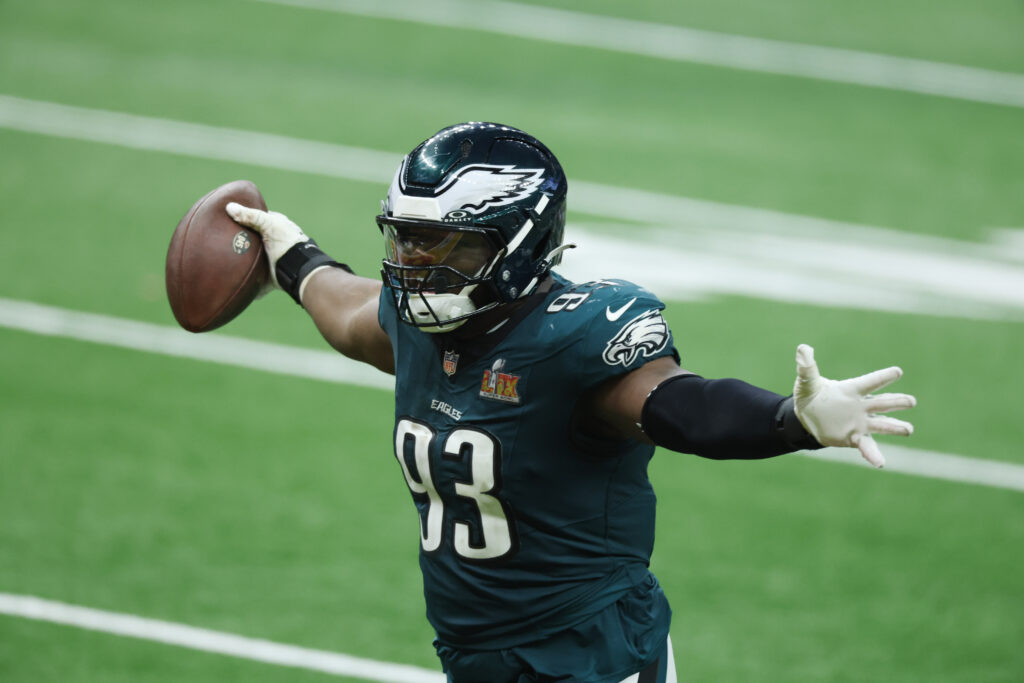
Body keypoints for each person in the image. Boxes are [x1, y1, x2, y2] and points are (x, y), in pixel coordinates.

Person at [224, 122, 915, 682]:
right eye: (403, 237)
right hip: (476, 650)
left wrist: (790, 420)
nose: (410, 263)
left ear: (516, 245)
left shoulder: (572, 337)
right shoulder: (420, 322)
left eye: (439, 244)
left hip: (585, 652)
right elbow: (345, 313)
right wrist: (293, 256)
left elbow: (684, 408)